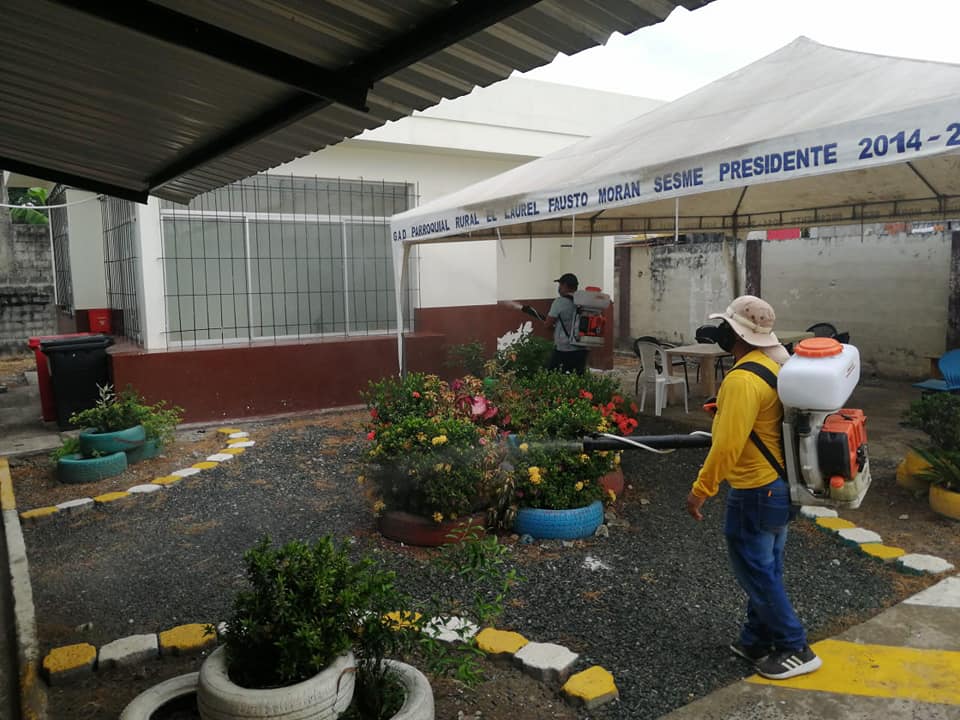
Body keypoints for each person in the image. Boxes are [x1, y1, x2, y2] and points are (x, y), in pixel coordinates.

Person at [685, 295, 822, 681]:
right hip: (779, 487)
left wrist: (701, 490)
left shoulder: (741, 379)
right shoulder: (770, 367)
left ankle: (795, 647)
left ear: (737, 335)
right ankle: (756, 640)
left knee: (756, 572)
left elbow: (726, 447)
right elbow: (761, 421)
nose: (722, 333)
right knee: (766, 568)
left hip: (755, 492)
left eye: (726, 327)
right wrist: (724, 411)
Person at [544, 273, 588, 374]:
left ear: (564, 285)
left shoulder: (559, 302)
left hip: (564, 348)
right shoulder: (584, 302)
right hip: (582, 347)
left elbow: (548, 324)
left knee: (553, 375)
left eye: (560, 285)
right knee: (578, 377)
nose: (559, 288)